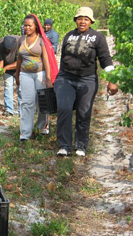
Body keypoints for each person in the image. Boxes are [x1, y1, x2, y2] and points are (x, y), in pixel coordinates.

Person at [55, 7, 118, 157]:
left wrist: (112, 80)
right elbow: (63, 58)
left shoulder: (98, 37)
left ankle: (81, 145)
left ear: (91, 21)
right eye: (79, 18)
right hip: (66, 78)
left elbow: (106, 60)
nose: (82, 21)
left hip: (87, 79)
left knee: (84, 112)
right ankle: (64, 145)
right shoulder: (69, 35)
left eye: (86, 19)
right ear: (75, 20)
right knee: (64, 109)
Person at [15, 14, 54, 142]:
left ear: (35, 26)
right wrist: (17, 75)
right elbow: (19, 59)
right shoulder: (21, 40)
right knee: (27, 102)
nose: (26, 28)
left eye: (29, 25)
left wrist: (48, 78)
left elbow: (46, 60)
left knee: (42, 102)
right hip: (25, 74)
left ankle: (42, 127)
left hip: (40, 74)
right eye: (25, 25)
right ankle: (25, 133)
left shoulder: (41, 40)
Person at [0, 35, 21, 116]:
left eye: (9, 50)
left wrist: (6, 67)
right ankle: (9, 109)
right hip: (7, 69)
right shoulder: (0, 45)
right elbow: (0, 60)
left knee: (21, 88)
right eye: (6, 49)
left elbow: (19, 62)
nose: (7, 51)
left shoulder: (20, 43)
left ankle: (22, 110)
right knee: (8, 86)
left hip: (20, 68)